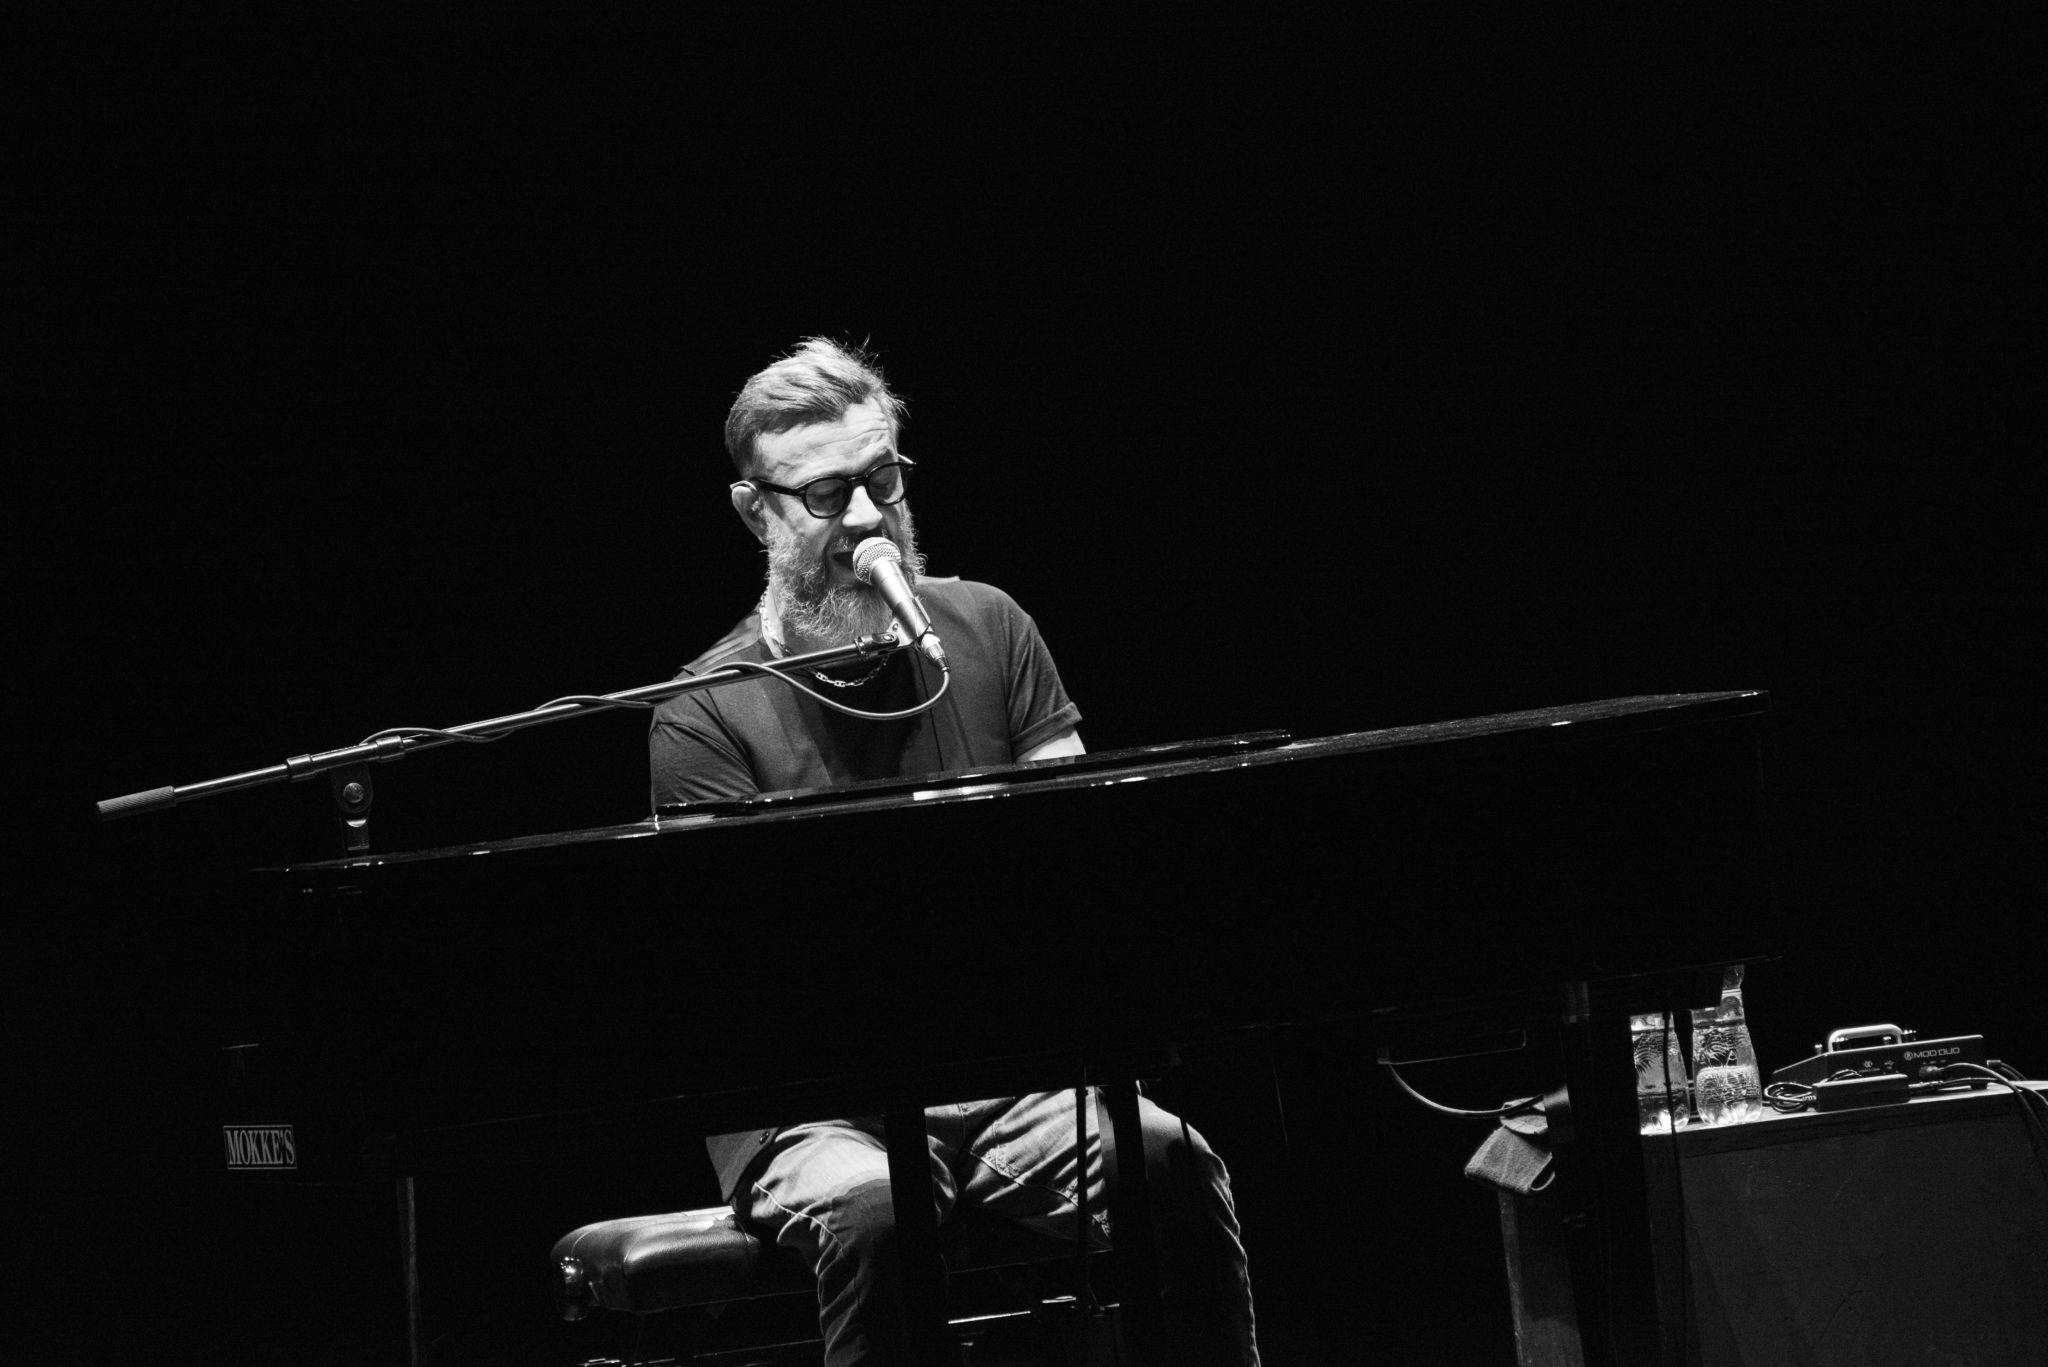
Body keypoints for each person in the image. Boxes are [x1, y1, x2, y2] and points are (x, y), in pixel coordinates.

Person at [648, 338, 1259, 1366]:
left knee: (1173, 1163)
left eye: (882, 479)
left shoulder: (989, 627)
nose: (864, 517)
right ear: (756, 512)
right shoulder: (705, 711)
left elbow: (1081, 858)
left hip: (1012, 1075)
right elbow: (745, 973)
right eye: (825, 494)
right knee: (876, 1211)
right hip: (817, 1108)